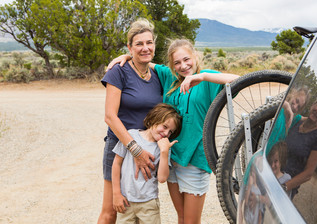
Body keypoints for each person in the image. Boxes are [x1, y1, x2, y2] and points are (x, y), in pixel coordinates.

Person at [108, 38, 239, 223]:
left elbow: (240, 80)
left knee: (191, 221)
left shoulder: (207, 78)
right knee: (181, 217)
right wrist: (127, 56)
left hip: (195, 159)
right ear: (171, 65)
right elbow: (143, 60)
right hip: (171, 159)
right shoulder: (169, 77)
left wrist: (201, 77)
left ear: (195, 56)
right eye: (177, 63)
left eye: (187, 59)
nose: (183, 66)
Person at [97, 18, 163, 224]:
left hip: (147, 151)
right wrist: (134, 150)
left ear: (154, 45)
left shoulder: (158, 74)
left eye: (149, 42)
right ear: (129, 47)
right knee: (112, 209)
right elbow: (110, 116)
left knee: (141, 207)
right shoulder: (118, 72)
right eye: (139, 44)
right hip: (120, 148)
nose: (145, 47)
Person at [112, 103, 182, 224]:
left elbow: (162, 178)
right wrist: (116, 193)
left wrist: (164, 152)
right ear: (154, 119)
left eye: (170, 132)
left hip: (149, 203)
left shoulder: (164, 148)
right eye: (164, 127)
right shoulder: (131, 136)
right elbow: (116, 164)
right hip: (125, 201)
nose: (166, 133)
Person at [283, 94, 317, 199]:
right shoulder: (297, 120)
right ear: (313, 105)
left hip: (285, 186)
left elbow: (308, 173)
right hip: (271, 171)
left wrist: (284, 187)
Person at [266, 86, 310, 156]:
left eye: (298, 107)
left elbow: (309, 119)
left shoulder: (293, 118)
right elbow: (273, 103)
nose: (295, 107)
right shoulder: (281, 106)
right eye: (296, 101)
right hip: (263, 152)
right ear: (293, 94)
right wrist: (286, 106)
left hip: (271, 158)